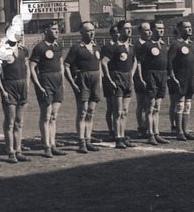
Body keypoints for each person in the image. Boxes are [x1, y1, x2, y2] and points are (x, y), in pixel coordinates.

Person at [64, 21, 104, 152]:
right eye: (88, 31)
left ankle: (88, 139)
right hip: (83, 80)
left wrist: (101, 80)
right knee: (82, 112)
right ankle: (81, 142)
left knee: (91, 111)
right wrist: (72, 82)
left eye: (92, 30)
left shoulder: (96, 46)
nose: (91, 33)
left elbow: (99, 64)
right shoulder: (76, 48)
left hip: (95, 80)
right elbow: (66, 66)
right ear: (81, 33)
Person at [28, 19, 65, 158]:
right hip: (45, 81)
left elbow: (60, 63)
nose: (57, 31)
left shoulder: (58, 45)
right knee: (46, 115)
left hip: (58, 82)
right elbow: (32, 68)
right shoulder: (40, 47)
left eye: (57, 28)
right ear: (46, 31)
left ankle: (53, 144)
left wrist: (62, 81)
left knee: (54, 115)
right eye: (54, 29)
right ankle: (46, 146)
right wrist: (38, 85)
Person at [0, 30, 30, 162]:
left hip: (22, 87)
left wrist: (28, 85)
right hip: (9, 87)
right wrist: (2, 90)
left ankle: (18, 149)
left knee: (19, 121)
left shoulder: (24, 50)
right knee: (10, 121)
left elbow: (27, 68)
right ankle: (10, 151)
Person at [101, 20, 138, 149]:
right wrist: (109, 79)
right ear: (121, 30)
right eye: (126, 28)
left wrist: (132, 75)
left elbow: (135, 61)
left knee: (125, 111)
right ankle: (118, 138)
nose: (129, 30)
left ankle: (122, 135)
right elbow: (104, 62)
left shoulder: (131, 47)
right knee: (118, 111)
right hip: (117, 78)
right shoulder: (114, 46)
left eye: (130, 28)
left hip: (127, 78)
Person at [166, 20, 194, 141]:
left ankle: (186, 130)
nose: (190, 29)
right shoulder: (175, 45)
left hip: (190, 78)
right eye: (187, 27)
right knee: (179, 105)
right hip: (179, 78)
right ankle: (179, 131)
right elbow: (169, 62)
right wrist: (173, 77)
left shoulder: (193, 45)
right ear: (180, 29)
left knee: (188, 105)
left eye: (190, 27)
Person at [137, 20, 169, 145]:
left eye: (162, 28)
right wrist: (141, 78)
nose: (161, 30)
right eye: (158, 28)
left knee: (157, 107)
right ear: (152, 29)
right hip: (151, 76)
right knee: (149, 107)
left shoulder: (164, 44)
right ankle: (150, 134)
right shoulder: (146, 45)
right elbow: (139, 62)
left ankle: (156, 133)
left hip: (162, 76)